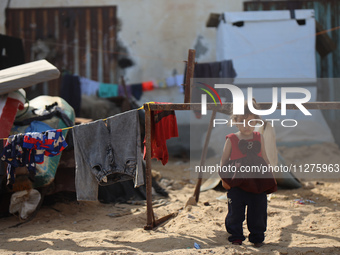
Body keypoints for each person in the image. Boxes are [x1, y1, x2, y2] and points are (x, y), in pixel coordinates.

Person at [219, 98, 277, 247]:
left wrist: (270, 177)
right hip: (237, 184)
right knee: (235, 213)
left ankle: (257, 237)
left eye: (251, 122)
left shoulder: (259, 137)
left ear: (256, 121)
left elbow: (265, 159)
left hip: (257, 183)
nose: (247, 126)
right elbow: (223, 161)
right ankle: (236, 236)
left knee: (258, 211)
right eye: (242, 122)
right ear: (235, 120)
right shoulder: (231, 139)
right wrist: (224, 180)